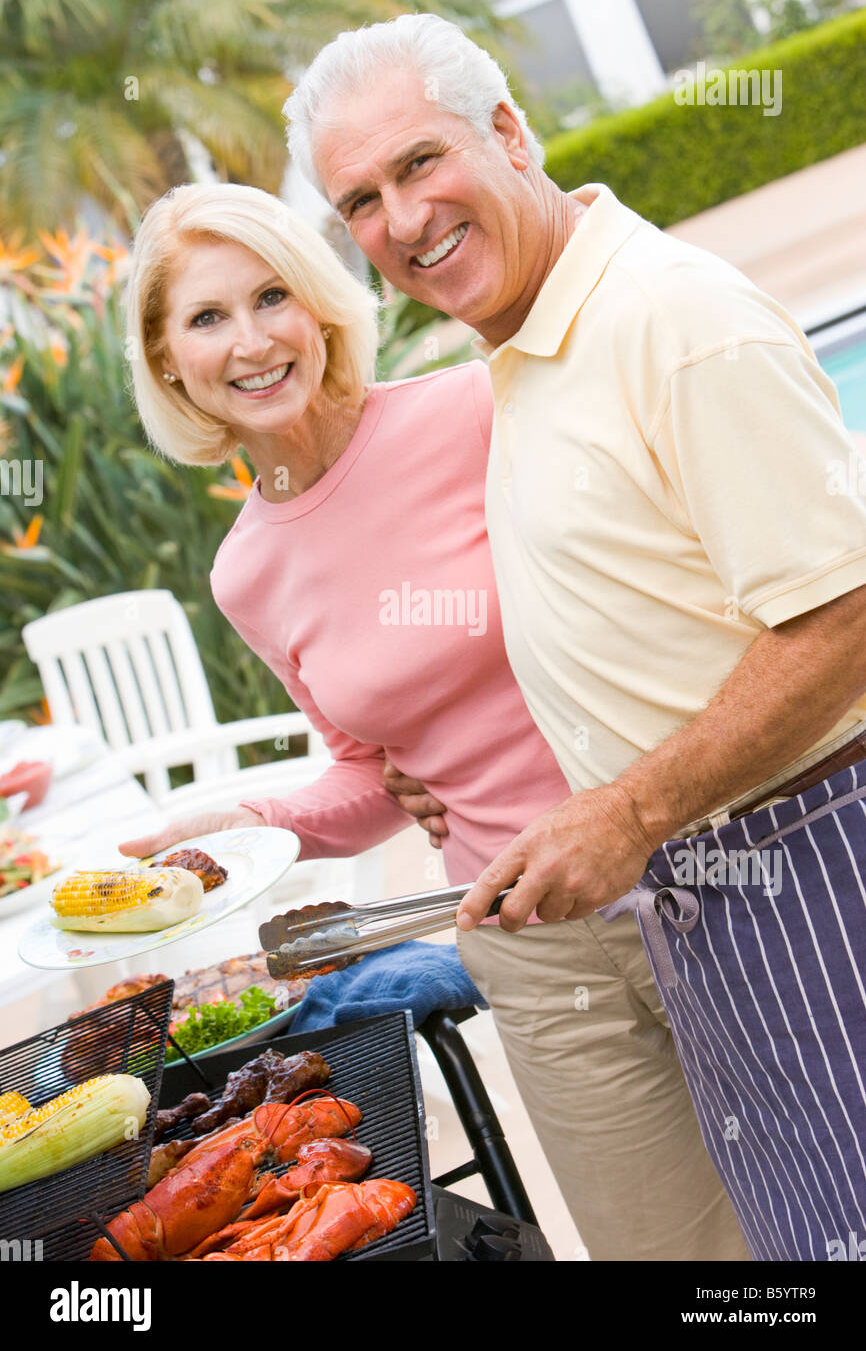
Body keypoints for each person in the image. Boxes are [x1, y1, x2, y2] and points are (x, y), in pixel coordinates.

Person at [288, 12, 866, 1260]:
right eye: (360, 202)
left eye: (418, 162)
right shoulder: (525, 346)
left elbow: (844, 612)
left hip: (816, 864)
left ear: (508, 130)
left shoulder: (667, 317)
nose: (399, 218)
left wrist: (628, 811)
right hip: (703, 889)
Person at [119, 180, 745, 1261]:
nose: (254, 340)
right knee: (665, 1254)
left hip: (697, 870)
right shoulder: (246, 572)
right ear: (169, 359)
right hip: (526, 936)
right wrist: (241, 820)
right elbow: (372, 776)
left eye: (272, 296)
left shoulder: (473, 409)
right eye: (208, 317)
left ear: (319, 307)